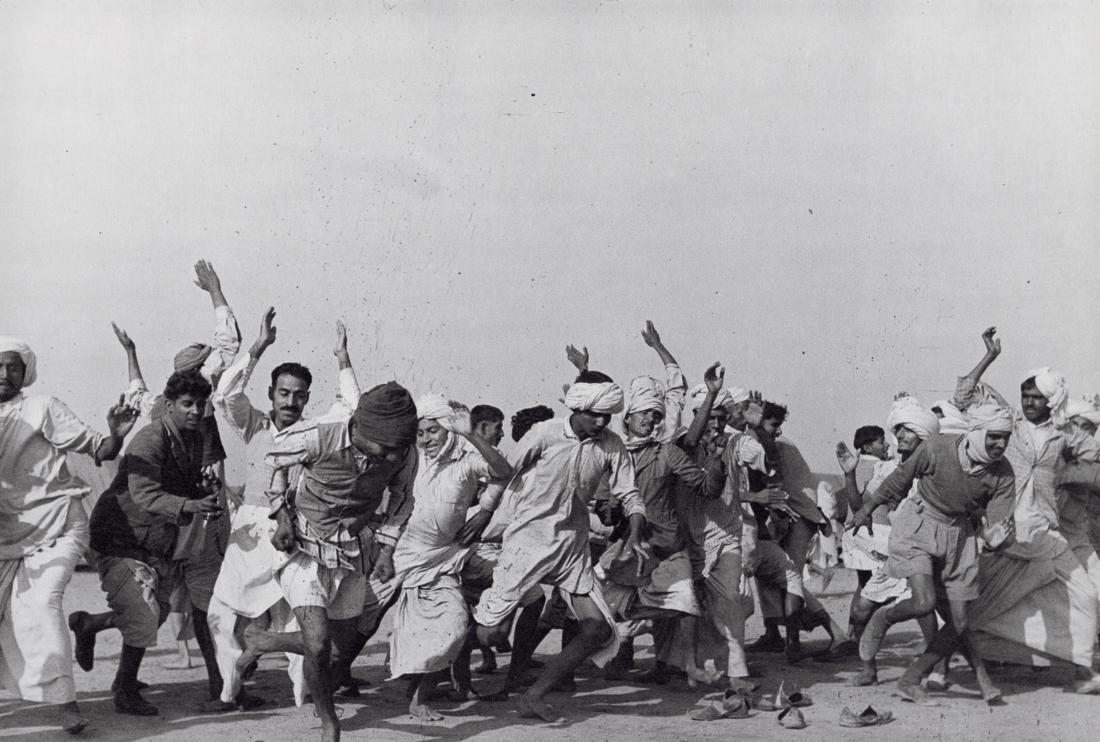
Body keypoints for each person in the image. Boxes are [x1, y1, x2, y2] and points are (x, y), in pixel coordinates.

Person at [236, 381, 418, 742]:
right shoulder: (319, 436)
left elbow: (403, 499)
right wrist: (282, 514)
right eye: (385, 448)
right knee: (317, 644)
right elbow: (274, 461)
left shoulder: (402, 453)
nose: (394, 457)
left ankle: (264, 641)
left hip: (352, 551)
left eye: (399, 449)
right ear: (359, 429)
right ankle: (328, 720)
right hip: (305, 544)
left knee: (336, 653)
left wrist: (386, 549)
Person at [202, 312, 363, 711]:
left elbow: (350, 409)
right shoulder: (253, 424)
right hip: (250, 530)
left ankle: (300, 695)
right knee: (222, 612)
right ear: (272, 393)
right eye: (283, 393)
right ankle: (229, 691)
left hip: (295, 530)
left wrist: (343, 359)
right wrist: (258, 347)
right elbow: (225, 393)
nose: (290, 401)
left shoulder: (314, 432)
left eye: (299, 395)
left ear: (307, 397)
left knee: (295, 617)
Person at [472, 373, 648, 722]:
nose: (601, 422)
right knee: (491, 633)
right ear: (576, 407)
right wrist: (485, 514)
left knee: (597, 628)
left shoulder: (612, 444)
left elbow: (630, 495)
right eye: (594, 414)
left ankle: (534, 694)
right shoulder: (545, 433)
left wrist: (635, 536)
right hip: (528, 540)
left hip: (572, 547)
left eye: (607, 415)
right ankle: (456, 636)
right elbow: (505, 472)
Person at [0, 337, 137, 734]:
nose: (5, 374)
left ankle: (66, 706)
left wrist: (117, 433)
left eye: (13, 366)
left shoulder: (43, 407)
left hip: (58, 526)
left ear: (26, 372)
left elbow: (103, 449)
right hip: (4, 536)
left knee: (42, 605)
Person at [954, 328, 1100, 692]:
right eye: (1025, 395)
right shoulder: (1008, 423)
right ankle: (941, 662)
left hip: (1046, 531)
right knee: (980, 602)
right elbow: (964, 396)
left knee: (1085, 593)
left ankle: (1082, 671)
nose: (1029, 402)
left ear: (1051, 401)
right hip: (1004, 530)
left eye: (1037, 397)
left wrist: (1075, 470)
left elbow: (1095, 458)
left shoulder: (1065, 434)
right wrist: (989, 356)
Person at [73, 370, 226, 716]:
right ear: (169, 405)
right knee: (144, 612)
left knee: (157, 611)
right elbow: (144, 493)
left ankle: (90, 625)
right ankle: (125, 691)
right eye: (187, 404)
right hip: (121, 535)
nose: (195, 411)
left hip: (154, 538)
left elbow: (180, 484)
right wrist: (190, 504)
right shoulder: (149, 439)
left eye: (201, 404)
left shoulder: (195, 436)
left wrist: (200, 491)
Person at [111, 259, 241, 668]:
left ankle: (218, 673)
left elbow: (136, 389)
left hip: (169, 517)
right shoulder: (194, 403)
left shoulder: (159, 405)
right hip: (190, 510)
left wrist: (131, 352)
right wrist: (216, 291)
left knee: (168, 597)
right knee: (197, 590)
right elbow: (230, 346)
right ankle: (223, 670)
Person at [850, 402, 1017, 705]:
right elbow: (898, 480)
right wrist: (865, 510)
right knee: (924, 602)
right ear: (977, 432)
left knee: (960, 623)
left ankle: (910, 680)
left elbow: (1000, 526)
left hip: (960, 538)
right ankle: (884, 616)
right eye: (994, 436)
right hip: (919, 524)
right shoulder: (937, 447)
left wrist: (994, 540)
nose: (1000, 444)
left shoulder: (1003, 473)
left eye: (1006, 438)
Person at [386, 394, 512, 720]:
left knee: (454, 626)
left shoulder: (467, 458)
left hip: (445, 559)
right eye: (421, 432)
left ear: (448, 430)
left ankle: (422, 697)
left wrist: (484, 511)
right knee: (359, 624)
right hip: (399, 556)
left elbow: (503, 471)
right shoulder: (409, 456)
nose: (426, 439)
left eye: (433, 431)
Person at [600, 361, 724, 684]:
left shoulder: (667, 453)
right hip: (630, 547)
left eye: (656, 415)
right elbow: (605, 513)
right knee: (596, 605)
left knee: (686, 603)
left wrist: (716, 458)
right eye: (645, 413)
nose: (651, 420)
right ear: (628, 417)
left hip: (668, 546)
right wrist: (611, 507)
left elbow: (708, 487)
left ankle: (689, 666)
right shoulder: (614, 454)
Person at [835, 395, 942, 685]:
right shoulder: (890, 469)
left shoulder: (935, 467)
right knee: (861, 610)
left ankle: (938, 669)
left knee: (924, 609)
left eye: (904, 431)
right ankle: (868, 667)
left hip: (923, 547)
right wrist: (849, 475)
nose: (897, 438)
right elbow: (860, 507)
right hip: (896, 549)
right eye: (897, 432)